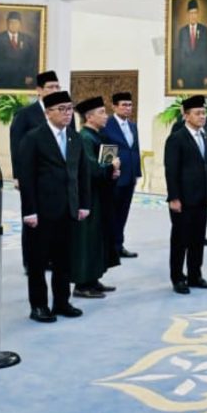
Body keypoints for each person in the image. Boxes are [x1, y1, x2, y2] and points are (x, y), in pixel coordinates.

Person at [18, 90, 90, 323]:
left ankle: (62, 301)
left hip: (68, 208)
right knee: (38, 262)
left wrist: (84, 204)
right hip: (41, 211)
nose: (67, 113)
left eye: (70, 109)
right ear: (48, 112)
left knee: (64, 260)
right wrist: (29, 211)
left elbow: (82, 173)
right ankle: (38, 305)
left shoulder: (74, 137)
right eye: (62, 109)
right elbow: (26, 178)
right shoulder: (33, 138)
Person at [164, 95, 207, 294]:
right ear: (186, 116)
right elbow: (171, 170)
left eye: (203, 113)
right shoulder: (176, 138)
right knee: (180, 241)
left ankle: (195, 275)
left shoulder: (206, 135)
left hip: (202, 197)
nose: (202, 116)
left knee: (198, 239)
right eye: (197, 113)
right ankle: (178, 277)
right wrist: (174, 197)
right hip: (183, 199)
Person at [71, 97, 121, 299]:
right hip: (89, 197)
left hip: (100, 195)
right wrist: (111, 167)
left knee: (98, 237)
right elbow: (91, 169)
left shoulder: (95, 136)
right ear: (89, 117)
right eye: (101, 112)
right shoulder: (84, 138)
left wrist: (112, 171)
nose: (106, 115)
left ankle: (93, 278)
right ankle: (82, 284)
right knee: (88, 239)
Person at [100, 91, 141, 258]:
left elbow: (135, 149)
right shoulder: (107, 125)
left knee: (123, 213)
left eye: (129, 105)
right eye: (123, 105)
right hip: (114, 176)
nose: (127, 108)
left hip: (129, 176)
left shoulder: (132, 126)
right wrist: (109, 171)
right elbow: (105, 151)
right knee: (110, 213)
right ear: (114, 106)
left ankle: (118, 245)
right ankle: (107, 248)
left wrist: (136, 173)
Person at [10, 70, 60, 184]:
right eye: (51, 87)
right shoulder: (24, 114)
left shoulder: (65, 114)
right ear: (39, 90)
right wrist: (17, 176)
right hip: (33, 173)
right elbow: (16, 146)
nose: (55, 91)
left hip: (59, 174)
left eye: (57, 87)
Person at [0, 10, 39, 90]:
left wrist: (30, 75)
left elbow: (32, 59)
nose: (13, 25)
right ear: (7, 24)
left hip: (22, 78)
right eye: (11, 22)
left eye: (16, 23)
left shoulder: (28, 39)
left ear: (20, 24)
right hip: (1, 78)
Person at [174, 0, 207, 90]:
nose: (193, 16)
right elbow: (179, 55)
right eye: (191, 13)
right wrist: (179, 77)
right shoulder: (182, 31)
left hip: (200, 75)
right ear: (188, 14)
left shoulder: (204, 30)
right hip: (185, 75)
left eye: (195, 13)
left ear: (198, 14)